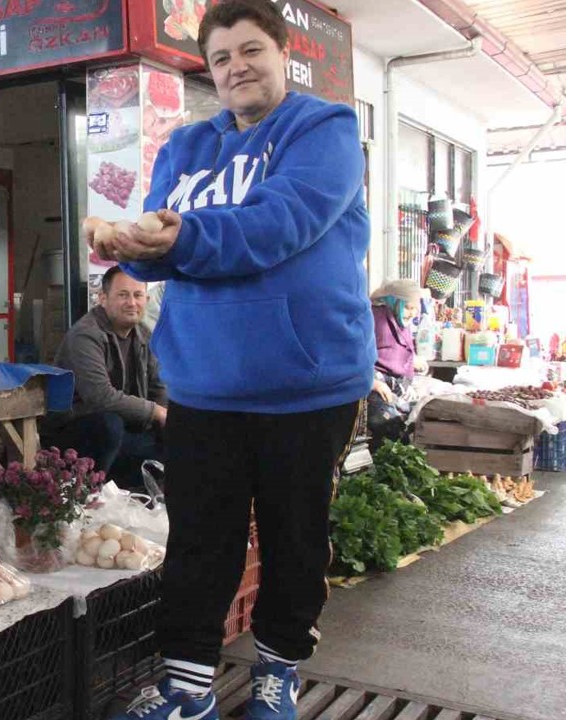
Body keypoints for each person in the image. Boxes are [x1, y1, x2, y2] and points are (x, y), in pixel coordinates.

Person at [89, 2, 375, 719]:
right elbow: (159, 249)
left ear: (284, 56)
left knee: (295, 536)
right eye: (220, 59)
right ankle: (188, 689)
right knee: (199, 542)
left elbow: (280, 224)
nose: (236, 67)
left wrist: (177, 236)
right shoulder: (185, 148)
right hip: (204, 383)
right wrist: (122, 240)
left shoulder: (325, 130)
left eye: (251, 51)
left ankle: (278, 672)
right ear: (210, 72)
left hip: (305, 384)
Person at [42, 266, 167, 486]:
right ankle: (83, 495)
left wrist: (170, 418)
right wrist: (156, 412)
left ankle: (140, 498)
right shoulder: (86, 336)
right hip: (72, 433)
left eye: (138, 295)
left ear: (146, 299)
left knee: (174, 434)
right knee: (109, 424)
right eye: (122, 295)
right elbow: (100, 397)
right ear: (102, 298)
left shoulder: (144, 335)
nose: (132, 303)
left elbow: (158, 388)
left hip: (119, 432)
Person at [367, 280, 428, 451]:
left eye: (415, 308)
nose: (413, 313)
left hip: (397, 385)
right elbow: (357, 355)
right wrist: (373, 382)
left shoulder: (398, 320)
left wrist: (413, 360)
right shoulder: (375, 319)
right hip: (374, 386)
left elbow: (399, 348)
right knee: (389, 424)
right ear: (394, 302)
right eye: (408, 307)